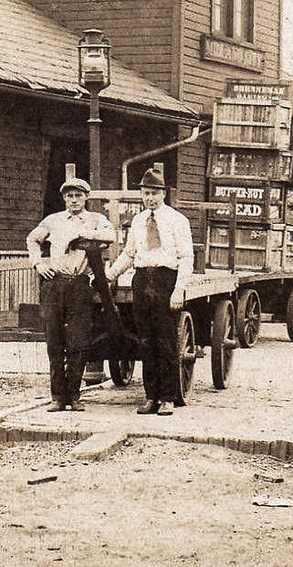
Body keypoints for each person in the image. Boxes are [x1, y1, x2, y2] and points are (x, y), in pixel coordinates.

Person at [106, 168, 194, 416]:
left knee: (166, 340)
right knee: (145, 340)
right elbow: (129, 253)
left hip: (166, 279)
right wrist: (109, 275)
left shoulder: (177, 220)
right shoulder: (137, 220)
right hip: (142, 280)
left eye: (155, 193)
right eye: (146, 193)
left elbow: (187, 257)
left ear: (163, 193)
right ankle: (151, 397)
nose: (150, 198)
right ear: (141, 194)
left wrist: (178, 290)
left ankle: (167, 398)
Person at [26, 177, 117, 412]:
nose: (73, 200)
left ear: (86, 197)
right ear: (64, 198)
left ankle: (74, 396)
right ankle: (58, 397)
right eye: (69, 196)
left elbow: (111, 236)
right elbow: (32, 239)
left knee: (78, 341)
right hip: (53, 283)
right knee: (54, 341)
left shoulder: (96, 219)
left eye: (78, 195)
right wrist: (38, 263)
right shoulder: (53, 220)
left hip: (79, 284)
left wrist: (84, 234)